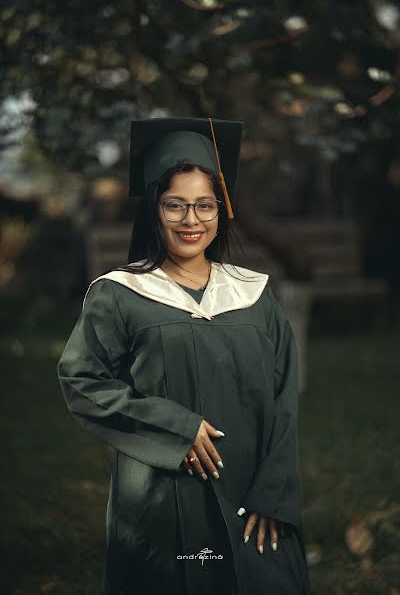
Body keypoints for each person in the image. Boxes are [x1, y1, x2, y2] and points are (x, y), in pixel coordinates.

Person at [57, 117, 312, 595]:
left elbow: (283, 399)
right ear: (154, 209)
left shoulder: (254, 295)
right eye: (175, 205)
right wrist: (174, 425)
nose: (191, 220)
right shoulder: (120, 294)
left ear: (221, 210)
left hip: (252, 495)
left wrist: (274, 495)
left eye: (203, 205)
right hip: (163, 497)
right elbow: (82, 380)